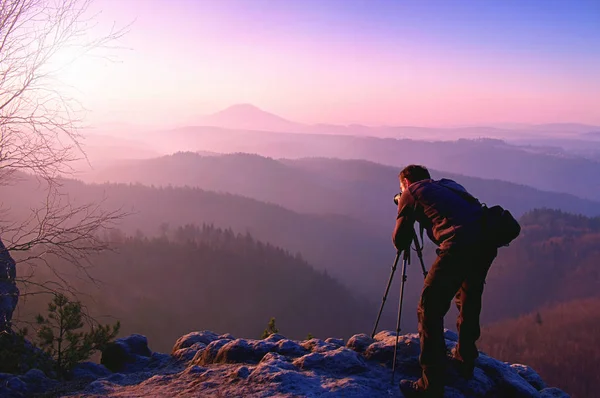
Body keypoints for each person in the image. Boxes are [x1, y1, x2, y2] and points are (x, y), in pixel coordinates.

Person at [393, 165, 497, 397]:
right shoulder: (448, 184)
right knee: (468, 298)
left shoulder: (411, 193)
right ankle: (465, 361)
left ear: (406, 182)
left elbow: (399, 241)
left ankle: (431, 385)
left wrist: (403, 205)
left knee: (429, 309)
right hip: (486, 242)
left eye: (401, 188)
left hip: (458, 245)